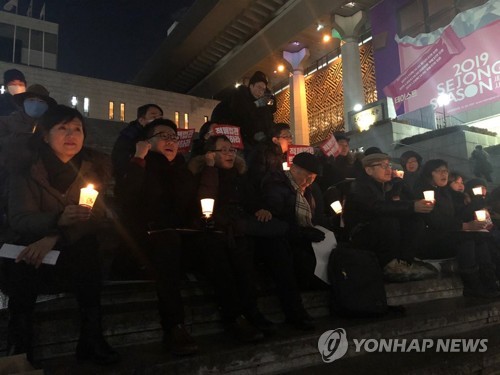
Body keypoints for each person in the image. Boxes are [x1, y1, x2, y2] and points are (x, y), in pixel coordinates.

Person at [117, 121, 264, 353]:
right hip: (148, 238)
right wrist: (138, 157)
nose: (171, 141)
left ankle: (235, 317)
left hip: (180, 234)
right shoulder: (139, 164)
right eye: (163, 136)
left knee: (213, 244)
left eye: (174, 137)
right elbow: (125, 198)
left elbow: (191, 205)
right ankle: (174, 325)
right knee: (168, 244)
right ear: (147, 141)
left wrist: (202, 219)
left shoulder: (182, 169)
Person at [3, 105, 119, 365]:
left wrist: (54, 236)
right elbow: (20, 219)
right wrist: (56, 220)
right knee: (24, 262)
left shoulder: (92, 170)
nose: (71, 134)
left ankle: (91, 340)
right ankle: (19, 347)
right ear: (45, 135)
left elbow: (95, 217)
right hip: (32, 248)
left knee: (88, 248)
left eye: (77, 129)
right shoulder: (26, 169)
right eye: (62, 128)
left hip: (70, 247)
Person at [189, 135, 314, 331]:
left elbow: (251, 200)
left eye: (232, 150)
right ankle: (246, 314)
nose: (230, 154)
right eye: (223, 150)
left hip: (246, 223)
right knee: (240, 257)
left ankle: (294, 310)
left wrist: (262, 209)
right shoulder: (203, 173)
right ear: (210, 153)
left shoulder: (239, 176)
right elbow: (206, 198)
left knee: (278, 247)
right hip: (223, 227)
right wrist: (211, 168)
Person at [343, 152, 436, 282]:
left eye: (389, 165)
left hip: (377, 228)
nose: (389, 169)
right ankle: (389, 264)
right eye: (383, 166)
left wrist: (403, 193)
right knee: (389, 219)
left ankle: (404, 262)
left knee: (414, 221)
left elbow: (394, 204)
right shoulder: (360, 186)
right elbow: (377, 207)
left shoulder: (386, 185)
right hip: (361, 232)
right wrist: (412, 206)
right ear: (369, 170)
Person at [414, 160, 499, 298]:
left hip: (448, 235)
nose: (444, 174)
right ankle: (472, 286)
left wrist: (476, 203)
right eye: (439, 171)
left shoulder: (444, 192)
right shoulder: (422, 191)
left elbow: (457, 216)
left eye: (446, 171)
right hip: (429, 240)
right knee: (467, 239)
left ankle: (490, 283)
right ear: (430, 173)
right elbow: (435, 220)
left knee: (481, 238)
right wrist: (465, 226)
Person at [262, 152, 334, 290]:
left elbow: (316, 216)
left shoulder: (308, 190)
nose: (308, 182)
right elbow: (277, 220)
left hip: (301, 235)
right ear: (294, 169)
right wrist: (302, 232)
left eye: (312, 178)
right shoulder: (276, 186)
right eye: (306, 176)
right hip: (285, 239)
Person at [211, 71, 275, 151]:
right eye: (259, 87)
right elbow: (241, 113)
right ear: (251, 86)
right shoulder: (239, 95)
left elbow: (269, 118)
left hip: (254, 142)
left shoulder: (262, 105)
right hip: (235, 138)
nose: (261, 91)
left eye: (263, 89)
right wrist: (256, 104)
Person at [111, 103, 163, 192]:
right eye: (154, 117)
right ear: (142, 120)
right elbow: (119, 162)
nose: (158, 120)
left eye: (160, 118)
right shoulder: (128, 137)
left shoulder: (159, 136)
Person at [246, 122, 292, 193]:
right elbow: (257, 178)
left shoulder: (288, 155)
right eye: (286, 137)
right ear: (275, 140)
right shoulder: (262, 153)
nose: (290, 140)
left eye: (290, 136)